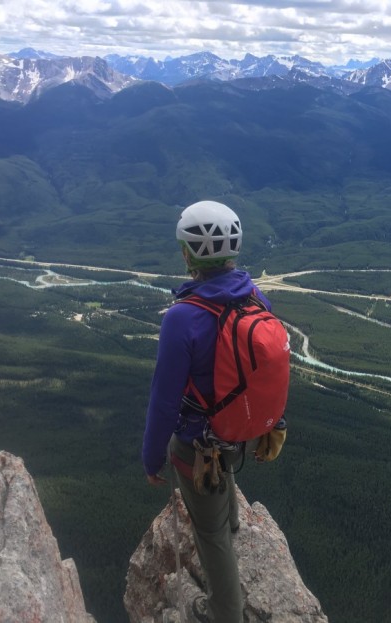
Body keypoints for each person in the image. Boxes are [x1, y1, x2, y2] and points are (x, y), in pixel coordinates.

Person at [142, 200, 273, 623]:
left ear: (187, 253)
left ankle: (224, 612)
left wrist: (152, 456)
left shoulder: (183, 317)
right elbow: (265, 373)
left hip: (197, 442)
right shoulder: (255, 297)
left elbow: (164, 400)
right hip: (239, 431)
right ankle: (232, 516)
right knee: (222, 465)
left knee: (209, 535)